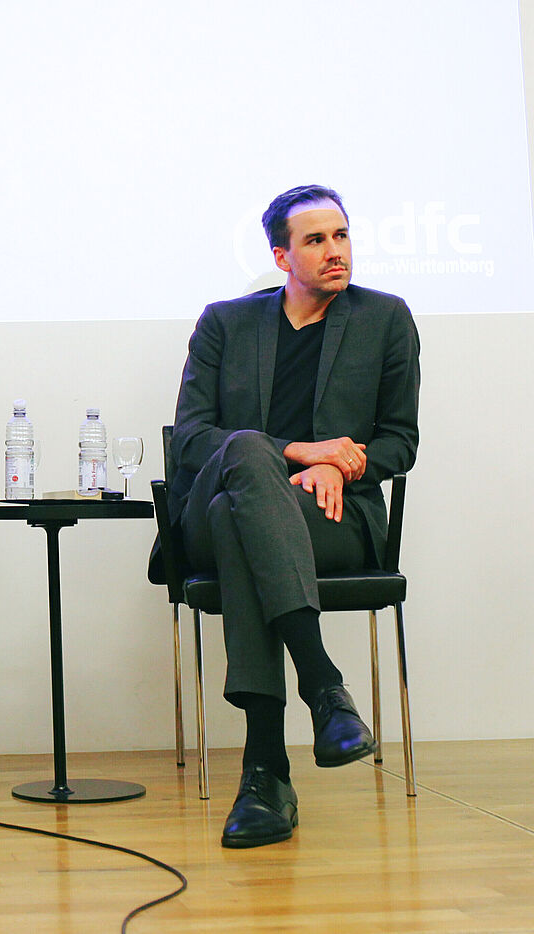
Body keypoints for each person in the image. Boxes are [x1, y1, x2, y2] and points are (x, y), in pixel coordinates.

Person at [166, 185, 420, 848]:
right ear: (281, 256)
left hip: (330, 519)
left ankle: (265, 772)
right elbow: (191, 438)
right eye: (315, 240)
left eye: (341, 236)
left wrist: (344, 464)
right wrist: (302, 451)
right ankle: (323, 685)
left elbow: (400, 439)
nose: (335, 251)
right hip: (222, 506)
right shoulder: (225, 323)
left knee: (237, 523)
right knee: (245, 455)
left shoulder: (386, 319)